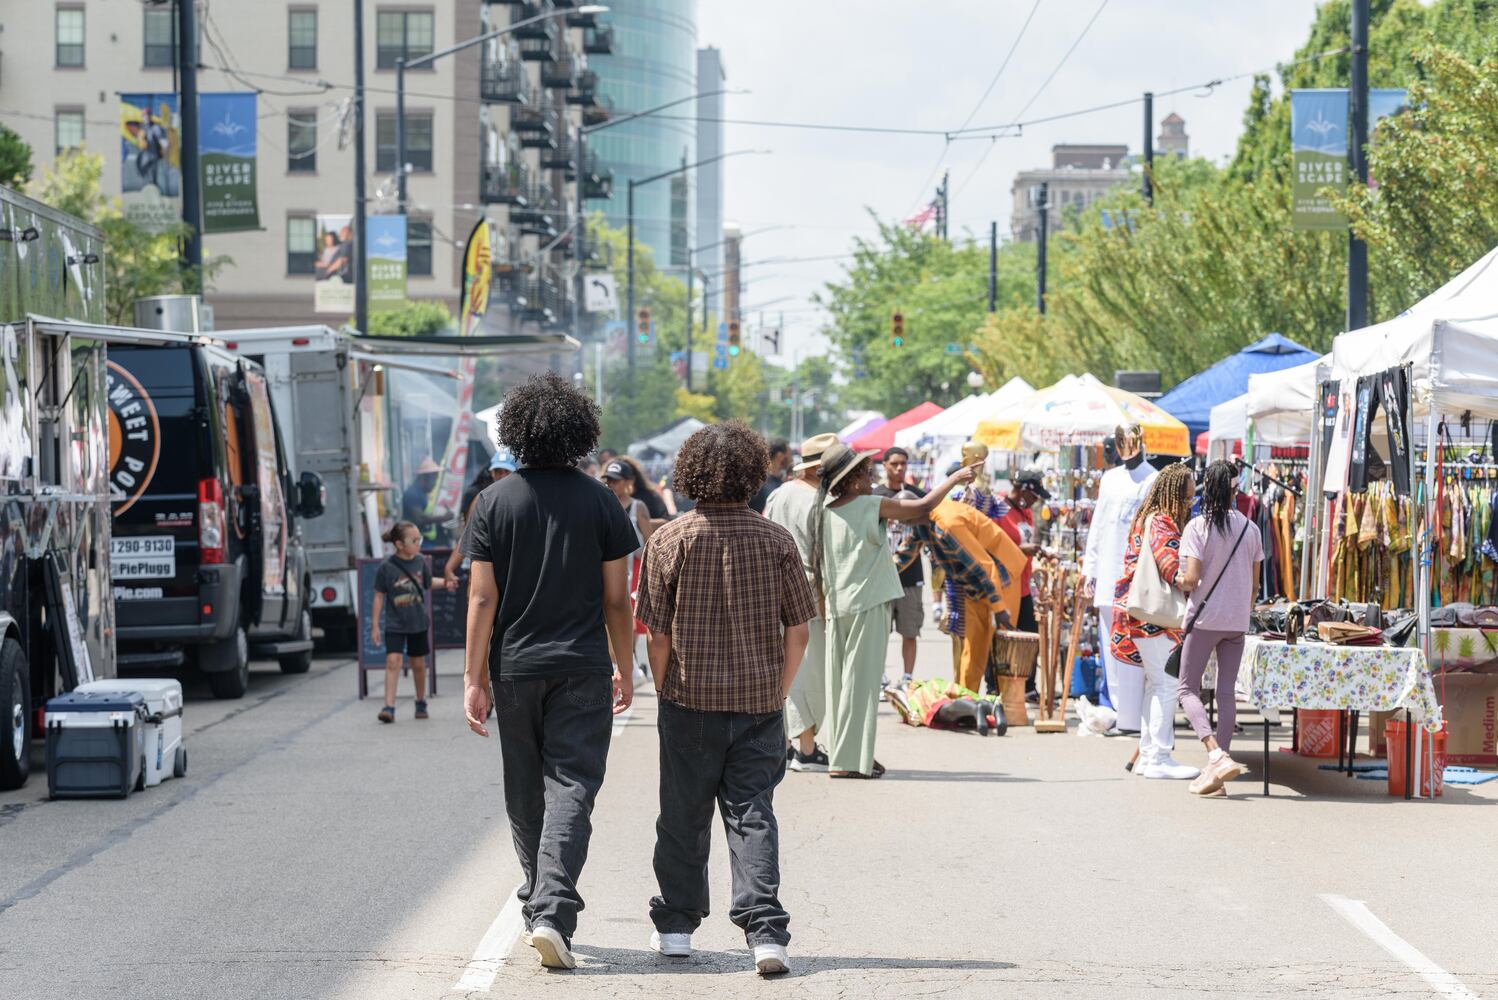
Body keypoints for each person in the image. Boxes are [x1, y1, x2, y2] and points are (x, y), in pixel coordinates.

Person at [461, 373, 639, 971]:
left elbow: (482, 600)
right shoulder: (600, 500)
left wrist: (473, 678)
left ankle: (541, 903)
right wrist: (624, 666)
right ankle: (551, 909)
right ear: (579, 433)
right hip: (583, 666)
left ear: (517, 431)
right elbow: (619, 600)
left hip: (514, 668)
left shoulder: (493, 501)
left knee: (524, 789)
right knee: (573, 786)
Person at [634, 421, 817, 977]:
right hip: (758, 705)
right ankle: (765, 935)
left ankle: (676, 928)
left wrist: (663, 690)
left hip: (688, 701)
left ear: (689, 473)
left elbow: (656, 636)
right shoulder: (775, 539)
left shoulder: (669, 539)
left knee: (683, 818)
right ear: (752, 474)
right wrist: (778, 691)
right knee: (752, 816)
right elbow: (799, 632)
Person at [810, 444, 976, 778]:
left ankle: (849, 756)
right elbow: (923, 505)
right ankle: (849, 761)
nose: (872, 478)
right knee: (862, 685)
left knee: (842, 685)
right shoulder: (871, 504)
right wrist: (955, 479)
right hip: (867, 604)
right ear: (853, 479)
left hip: (839, 605)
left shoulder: (825, 510)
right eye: (866, 473)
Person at [1177, 460, 1263, 796]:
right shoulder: (1251, 529)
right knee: (1226, 693)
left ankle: (1215, 753)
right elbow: (1255, 587)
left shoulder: (1197, 527)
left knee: (1186, 689)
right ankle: (1218, 773)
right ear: (1235, 490)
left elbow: (1192, 578)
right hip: (1237, 621)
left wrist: (1174, 577)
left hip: (1205, 618)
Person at [1108, 464, 1199, 781]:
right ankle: (1159, 756)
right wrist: (1193, 577)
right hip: (1154, 619)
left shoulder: (1146, 518)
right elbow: (1172, 569)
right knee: (1166, 686)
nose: (1190, 504)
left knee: (1157, 685)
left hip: (1141, 618)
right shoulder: (1161, 522)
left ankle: (1149, 755)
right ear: (1174, 494)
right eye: (1187, 499)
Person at [762, 432, 838, 772]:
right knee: (809, 672)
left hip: (776, 590)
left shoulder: (780, 494)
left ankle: (790, 744)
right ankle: (804, 749)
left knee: (789, 669)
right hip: (811, 594)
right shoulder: (820, 500)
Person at [1082, 423, 1156, 737]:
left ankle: (1133, 712)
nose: (1127, 446)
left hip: (1134, 576)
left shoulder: (1153, 478)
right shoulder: (1109, 479)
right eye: (1122, 441)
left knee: (1133, 645)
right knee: (1108, 644)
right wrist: (1090, 570)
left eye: (1131, 440)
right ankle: (1114, 710)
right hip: (1107, 575)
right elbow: (1098, 527)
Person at [371, 521, 445, 723]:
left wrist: (447, 582)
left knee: (418, 664)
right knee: (392, 661)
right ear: (399, 544)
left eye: (419, 539)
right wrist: (375, 625)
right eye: (414, 540)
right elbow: (378, 596)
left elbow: (429, 583)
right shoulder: (386, 567)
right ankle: (389, 707)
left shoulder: (421, 562)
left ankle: (420, 701)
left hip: (417, 623)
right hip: (395, 623)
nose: (418, 543)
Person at [873, 447, 926, 688]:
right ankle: (880, 677)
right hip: (882, 576)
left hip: (911, 577)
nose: (900, 468)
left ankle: (907, 679)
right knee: (879, 632)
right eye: (894, 463)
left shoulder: (917, 495)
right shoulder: (875, 497)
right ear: (884, 465)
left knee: (910, 630)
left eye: (904, 464)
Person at [992, 468, 1049, 695]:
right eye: (1034, 495)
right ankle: (995, 686)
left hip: (1023, 584)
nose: (1036, 501)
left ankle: (1027, 685)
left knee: (1030, 634)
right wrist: (1020, 549)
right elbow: (991, 546)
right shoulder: (998, 510)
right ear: (1023, 490)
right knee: (1003, 636)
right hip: (1004, 584)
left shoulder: (1026, 512)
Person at [445, 449, 516, 589]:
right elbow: (469, 535)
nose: (502, 476)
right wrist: (449, 567)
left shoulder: (525, 499)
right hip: (487, 572)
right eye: (498, 471)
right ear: (491, 473)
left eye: (506, 471)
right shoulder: (483, 500)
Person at [886, 678, 1004, 736]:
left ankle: (975, 709)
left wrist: (909, 711)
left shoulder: (911, 692)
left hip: (923, 694)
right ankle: (991, 706)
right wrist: (978, 698)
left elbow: (893, 693)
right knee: (962, 701)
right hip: (936, 684)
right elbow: (961, 691)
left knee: (944, 709)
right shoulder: (930, 682)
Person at [402, 457, 453, 548]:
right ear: (424, 478)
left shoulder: (423, 494)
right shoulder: (412, 494)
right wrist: (444, 517)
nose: (435, 484)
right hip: (417, 543)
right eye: (434, 480)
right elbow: (420, 518)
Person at [603, 459, 654, 548]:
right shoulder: (602, 505)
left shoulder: (638, 507)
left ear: (629, 481)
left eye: (616, 481)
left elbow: (649, 541)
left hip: (634, 561)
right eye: (608, 480)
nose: (610, 484)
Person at [621, 455, 670, 525]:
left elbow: (665, 521)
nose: (611, 484)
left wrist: (639, 521)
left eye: (617, 481)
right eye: (610, 480)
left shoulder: (649, 496)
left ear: (631, 480)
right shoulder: (609, 500)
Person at [750, 438, 793, 513]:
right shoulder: (760, 482)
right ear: (780, 456)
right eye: (789, 454)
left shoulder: (783, 480)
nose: (791, 459)